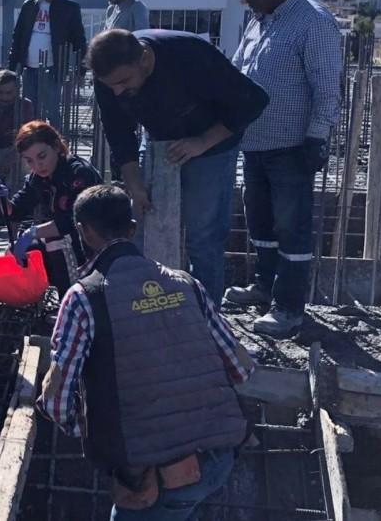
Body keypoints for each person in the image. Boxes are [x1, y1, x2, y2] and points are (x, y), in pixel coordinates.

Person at [38, 184, 253, 521]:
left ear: (83, 232)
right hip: (219, 457)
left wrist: (95, 429)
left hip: (158, 476)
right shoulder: (186, 283)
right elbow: (241, 368)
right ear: (133, 228)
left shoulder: (84, 297)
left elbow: (57, 403)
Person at [87, 29, 270, 306]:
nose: (118, 91)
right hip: (159, 142)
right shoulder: (109, 74)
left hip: (212, 146)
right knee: (148, 231)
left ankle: (206, 313)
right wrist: (133, 182)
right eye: (111, 85)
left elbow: (254, 100)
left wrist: (202, 142)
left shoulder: (190, 54)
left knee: (203, 236)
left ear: (144, 59)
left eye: (123, 82)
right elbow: (118, 131)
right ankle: (154, 310)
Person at [223, 0, 343, 338]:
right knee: (260, 221)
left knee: (292, 227)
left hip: (292, 147)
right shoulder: (259, 22)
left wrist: (317, 138)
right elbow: (237, 72)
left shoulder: (313, 22)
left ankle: (289, 307)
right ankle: (264, 287)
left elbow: (328, 89)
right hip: (255, 144)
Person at [0, 121, 101, 293]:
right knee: (16, 252)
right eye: (29, 161)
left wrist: (33, 232)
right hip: (67, 242)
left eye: (42, 156)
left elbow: (72, 222)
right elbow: (16, 211)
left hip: (92, 245)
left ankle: (73, 295)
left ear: (57, 146)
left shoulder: (78, 173)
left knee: (57, 242)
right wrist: (2, 199)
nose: (37, 166)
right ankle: (33, 298)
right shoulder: (38, 178)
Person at [8, 0, 86, 124]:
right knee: (30, 110)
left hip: (53, 69)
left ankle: (55, 139)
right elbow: (17, 37)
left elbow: (79, 40)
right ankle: (31, 137)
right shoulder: (29, 5)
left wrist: (81, 71)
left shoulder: (69, 8)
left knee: (53, 110)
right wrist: (11, 68)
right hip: (29, 68)